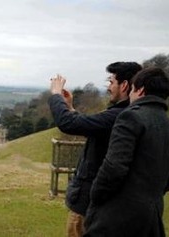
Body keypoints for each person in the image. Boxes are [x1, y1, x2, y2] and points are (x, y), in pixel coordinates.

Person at [84, 67, 169, 237]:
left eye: (132, 90)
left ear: (140, 90)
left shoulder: (130, 117)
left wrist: (95, 196)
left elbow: (114, 167)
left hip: (116, 218)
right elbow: (168, 182)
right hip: (151, 219)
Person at [49, 62, 142, 237]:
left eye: (111, 82)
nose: (108, 87)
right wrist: (70, 108)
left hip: (88, 205)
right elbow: (92, 127)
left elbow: (67, 124)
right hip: (106, 206)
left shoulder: (119, 116)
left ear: (124, 85)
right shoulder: (130, 115)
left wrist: (55, 96)